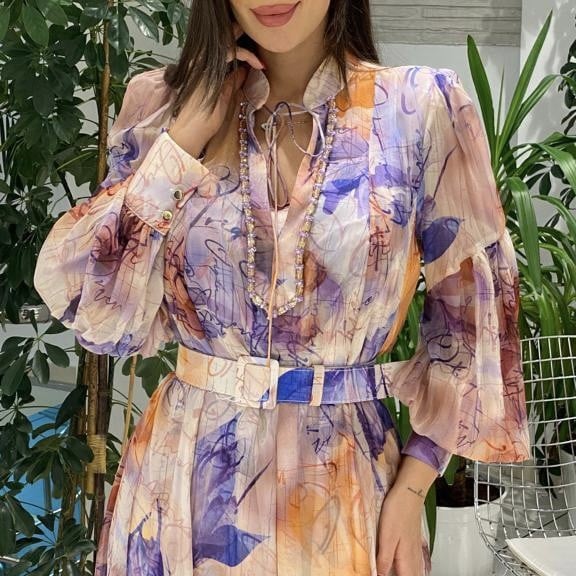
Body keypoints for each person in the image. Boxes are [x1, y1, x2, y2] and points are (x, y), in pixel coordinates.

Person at [33, 1, 531, 574]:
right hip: (179, 487)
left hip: (342, 488)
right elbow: (97, 314)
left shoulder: (418, 108)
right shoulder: (160, 105)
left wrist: (413, 487)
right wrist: (182, 140)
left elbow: (472, 322)